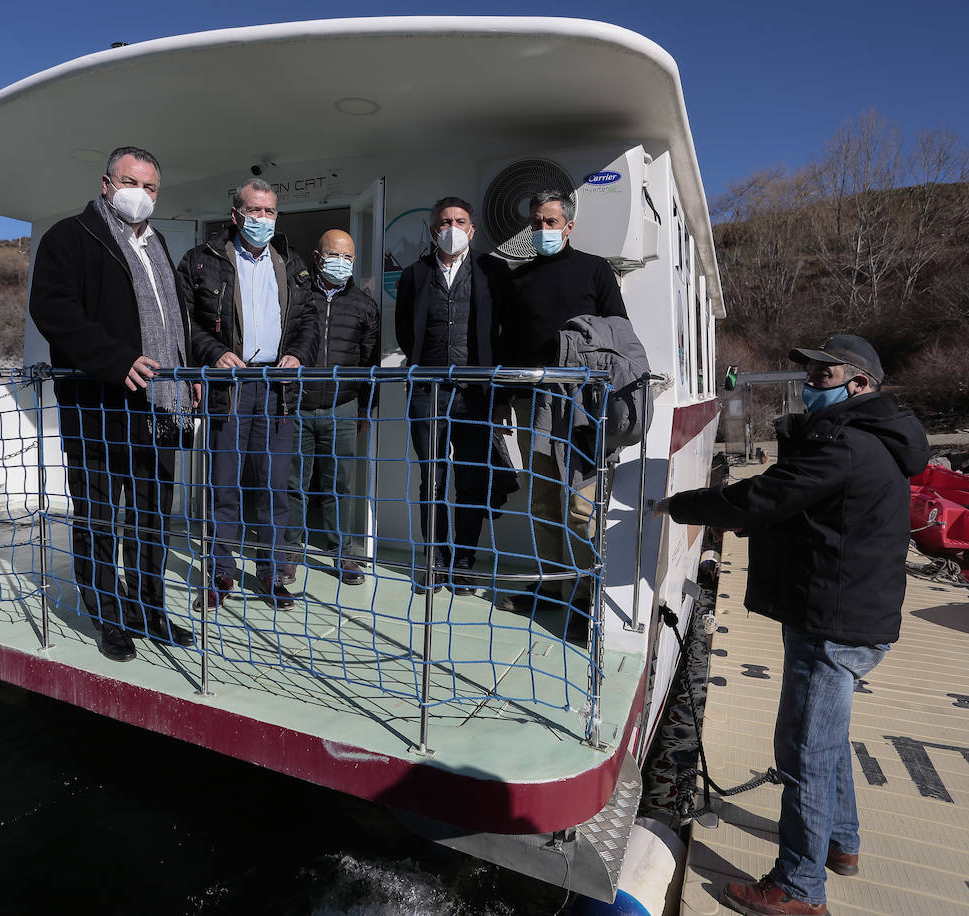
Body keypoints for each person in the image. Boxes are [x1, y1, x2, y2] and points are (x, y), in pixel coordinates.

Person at [653, 335, 929, 916]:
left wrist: (680, 506)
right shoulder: (870, 440)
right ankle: (841, 842)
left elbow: (763, 499)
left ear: (859, 385)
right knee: (824, 740)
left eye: (823, 375)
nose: (810, 383)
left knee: (803, 749)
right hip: (849, 613)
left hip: (833, 622)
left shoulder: (846, 445)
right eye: (809, 371)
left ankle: (799, 889)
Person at [29, 145, 196, 662]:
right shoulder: (70, 237)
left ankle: (149, 608)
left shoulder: (158, 244)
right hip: (98, 403)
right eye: (131, 182)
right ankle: (108, 617)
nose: (140, 195)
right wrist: (113, 358)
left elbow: (173, 321)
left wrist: (185, 372)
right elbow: (52, 310)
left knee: (150, 515)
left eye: (150, 188)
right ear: (106, 183)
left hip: (160, 408)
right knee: (99, 515)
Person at [180, 178, 318, 611]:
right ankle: (220, 573)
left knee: (274, 487)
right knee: (224, 487)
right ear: (235, 213)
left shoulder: (291, 263)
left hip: (276, 389)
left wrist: (296, 354)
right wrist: (215, 353)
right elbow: (186, 322)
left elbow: (309, 320)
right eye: (254, 211)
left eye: (269, 212)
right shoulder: (203, 261)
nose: (262, 219)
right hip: (230, 386)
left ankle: (273, 574)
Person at [496, 190, 629, 637]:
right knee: (541, 503)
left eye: (551, 222)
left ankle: (584, 597)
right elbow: (507, 344)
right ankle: (551, 587)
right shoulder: (519, 278)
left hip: (583, 409)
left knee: (579, 508)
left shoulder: (595, 270)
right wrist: (503, 398)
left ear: (569, 226)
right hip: (533, 404)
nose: (543, 230)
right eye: (537, 223)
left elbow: (620, 338)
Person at [393, 196, 515, 594]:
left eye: (460, 221)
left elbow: (503, 332)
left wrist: (501, 395)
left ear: (472, 229)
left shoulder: (493, 270)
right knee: (432, 477)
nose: (452, 227)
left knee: (471, 479)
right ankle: (435, 560)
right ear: (433, 230)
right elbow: (404, 331)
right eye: (445, 221)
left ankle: (463, 561)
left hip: (477, 393)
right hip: (427, 390)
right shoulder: (414, 274)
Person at [280, 229, 380, 587]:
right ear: (317, 257)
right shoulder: (297, 297)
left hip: (343, 406)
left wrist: (367, 408)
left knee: (339, 484)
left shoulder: (364, 305)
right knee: (293, 483)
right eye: (334, 256)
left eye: (348, 258)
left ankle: (344, 554)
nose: (341, 263)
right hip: (298, 406)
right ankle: (289, 551)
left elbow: (370, 363)